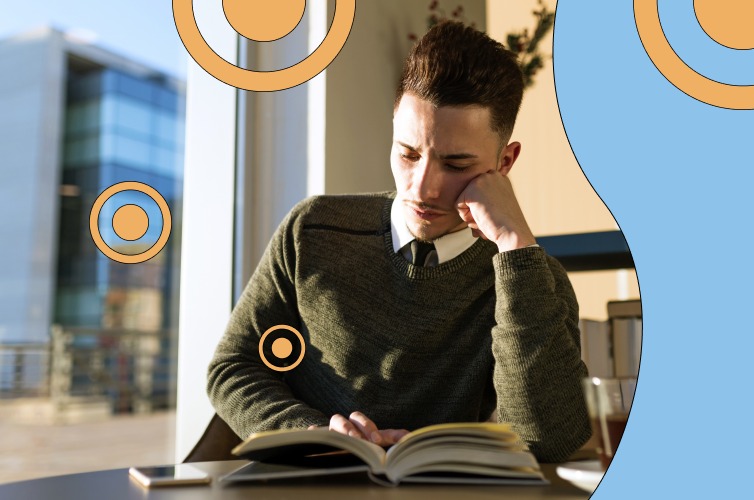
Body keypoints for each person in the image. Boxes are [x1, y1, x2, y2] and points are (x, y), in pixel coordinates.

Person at [207, 21, 590, 463]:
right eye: (408, 154)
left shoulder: (532, 282)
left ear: (504, 162)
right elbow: (233, 368)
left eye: (456, 163)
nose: (422, 187)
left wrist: (515, 245)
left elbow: (548, 439)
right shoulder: (312, 228)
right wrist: (311, 432)